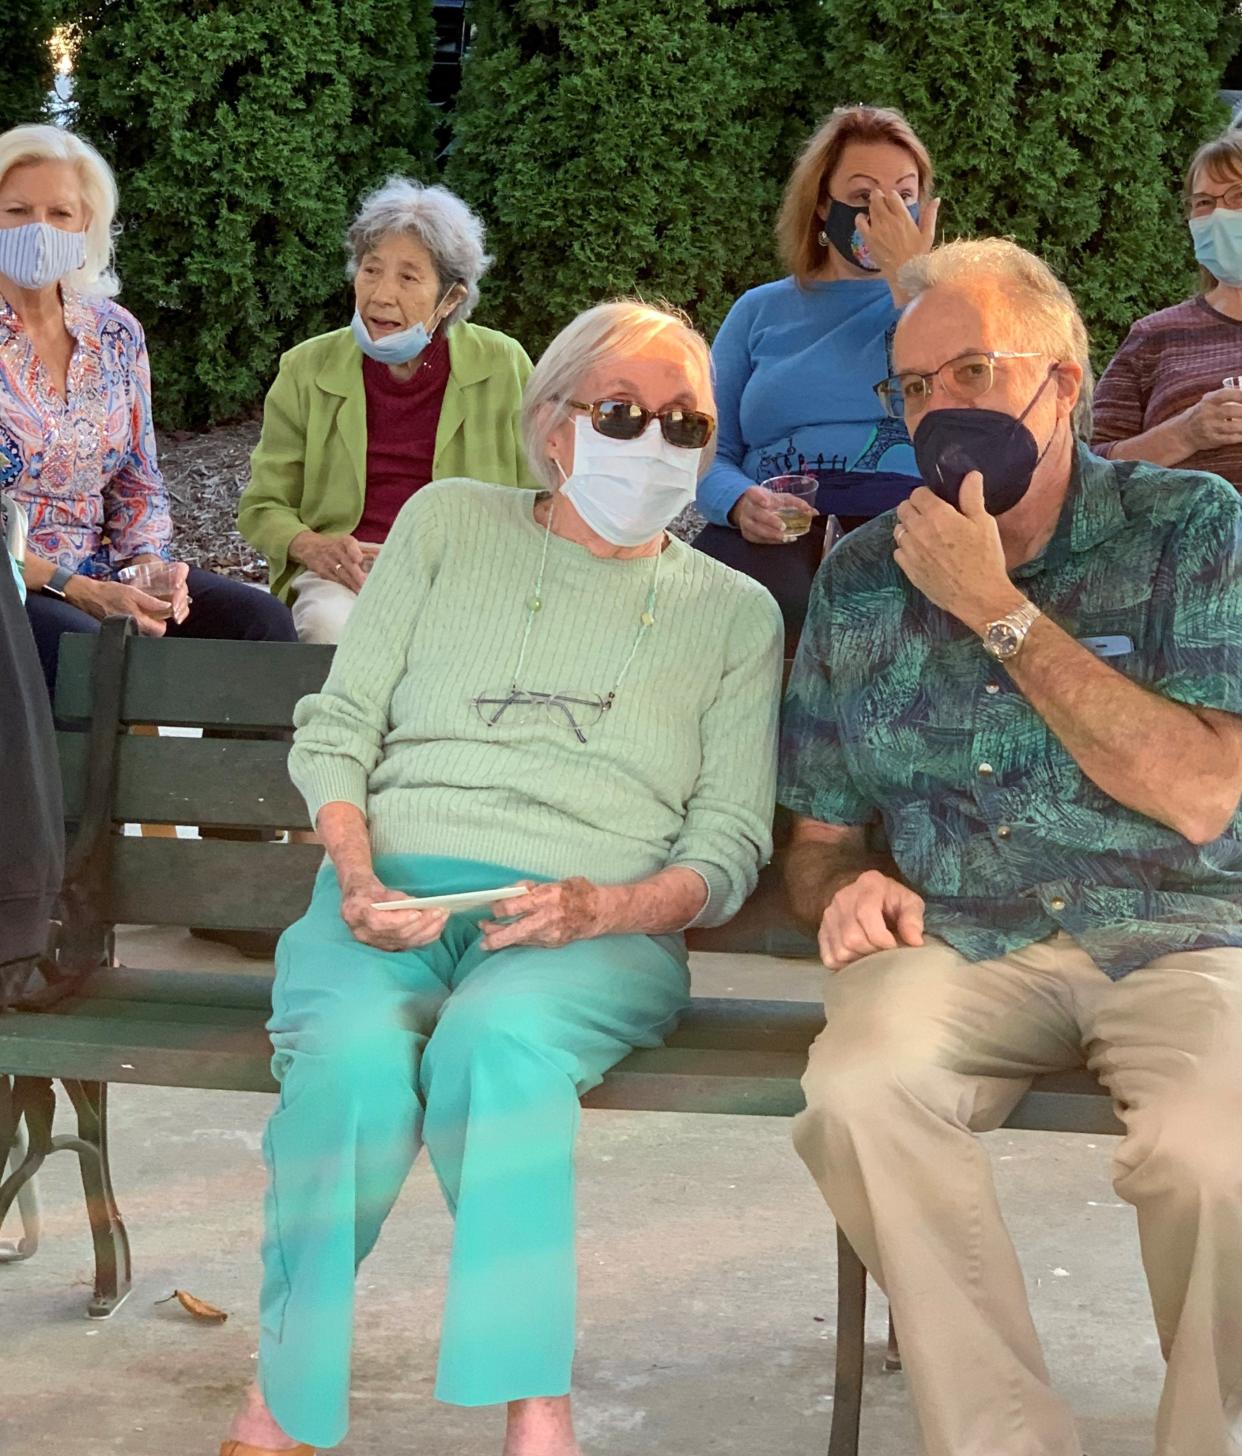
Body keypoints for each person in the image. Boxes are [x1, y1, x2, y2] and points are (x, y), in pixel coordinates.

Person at [218, 300, 782, 1456]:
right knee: (355, 1066)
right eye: (625, 413)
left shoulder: (735, 613)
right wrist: (359, 871)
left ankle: (535, 1406)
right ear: (553, 424)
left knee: (499, 1047)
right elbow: (340, 727)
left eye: (689, 424)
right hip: (392, 895)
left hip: (591, 930)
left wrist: (608, 907)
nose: (657, 443)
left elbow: (726, 842)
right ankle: (285, 1398)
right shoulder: (444, 525)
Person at [780, 238, 1242, 1456]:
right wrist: (844, 887)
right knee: (858, 1093)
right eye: (917, 389)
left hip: (1180, 931)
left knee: (1221, 1150)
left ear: (1066, 382)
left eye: (974, 371)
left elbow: (1200, 794)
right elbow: (817, 835)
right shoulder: (866, 577)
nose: (943, 410)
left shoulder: (1190, 524)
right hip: (963, 936)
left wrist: (998, 609)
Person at [0, 125, 296, 694]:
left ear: (86, 226)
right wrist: (73, 587)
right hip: (15, 584)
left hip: (101, 571)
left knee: (262, 626)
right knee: (90, 656)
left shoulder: (116, 332)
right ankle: (100, 786)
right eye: (17, 210)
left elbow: (138, 478)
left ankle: (232, 784)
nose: (40, 229)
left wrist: (149, 571)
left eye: (60, 213)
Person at [238, 177, 537, 644]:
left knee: (469, 644)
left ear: (451, 297)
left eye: (409, 277)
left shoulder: (502, 365)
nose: (380, 295)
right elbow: (263, 507)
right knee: (328, 627)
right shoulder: (305, 368)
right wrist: (313, 547)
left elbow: (543, 498)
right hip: (347, 574)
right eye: (371, 270)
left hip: (470, 574)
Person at [693, 104, 939, 649]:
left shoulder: (946, 309)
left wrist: (913, 283)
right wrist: (737, 502)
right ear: (823, 204)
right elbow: (707, 447)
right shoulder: (760, 312)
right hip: (778, 526)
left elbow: (969, 409)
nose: (884, 212)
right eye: (862, 196)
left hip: (909, 521)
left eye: (903, 195)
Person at [1093, 127, 1242, 490]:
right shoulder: (1156, 337)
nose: (1219, 215)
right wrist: (1186, 433)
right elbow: (1085, 470)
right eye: (1204, 202)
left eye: (1238, 196)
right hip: (1187, 545)